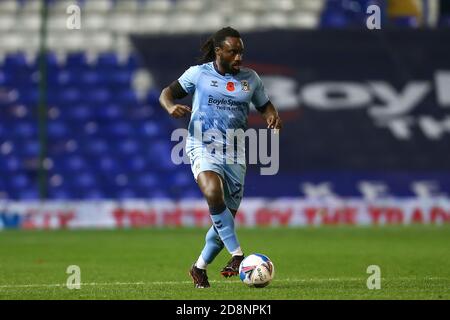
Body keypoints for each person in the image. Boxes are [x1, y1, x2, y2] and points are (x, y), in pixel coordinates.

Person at [159, 27, 282, 288]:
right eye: (233, 52)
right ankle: (237, 255)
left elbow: (265, 105)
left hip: (236, 152)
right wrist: (170, 106)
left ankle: (199, 267)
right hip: (202, 144)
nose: (239, 57)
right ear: (218, 51)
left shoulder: (251, 79)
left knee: (222, 220)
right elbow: (166, 93)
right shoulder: (199, 74)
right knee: (213, 192)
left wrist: (271, 115)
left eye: (241, 52)